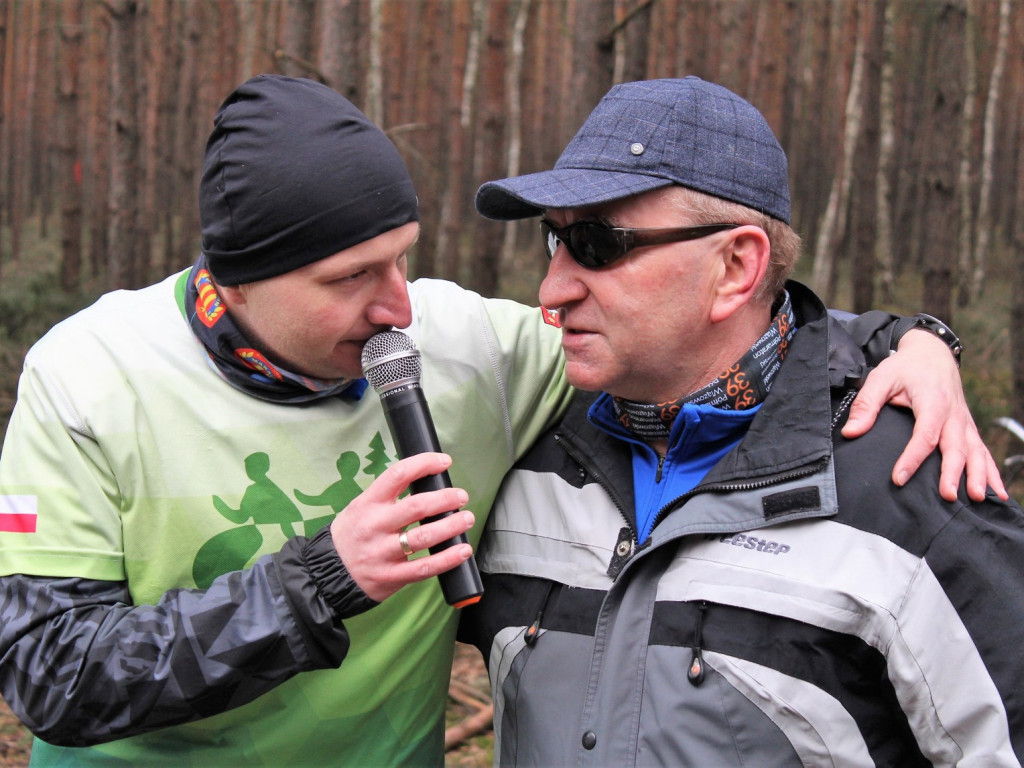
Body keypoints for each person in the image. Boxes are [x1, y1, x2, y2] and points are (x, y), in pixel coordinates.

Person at [0, 74, 1000, 768]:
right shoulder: (88, 379)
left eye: (403, 258)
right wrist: (319, 581)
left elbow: (743, 339)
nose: (402, 307)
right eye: (352, 279)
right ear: (235, 280)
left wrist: (912, 341)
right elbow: (51, 675)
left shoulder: (470, 349)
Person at [461, 77, 1023, 767]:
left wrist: (921, 338)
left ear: (736, 266)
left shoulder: (912, 494)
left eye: (599, 245)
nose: (552, 291)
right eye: (556, 244)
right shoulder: (522, 445)